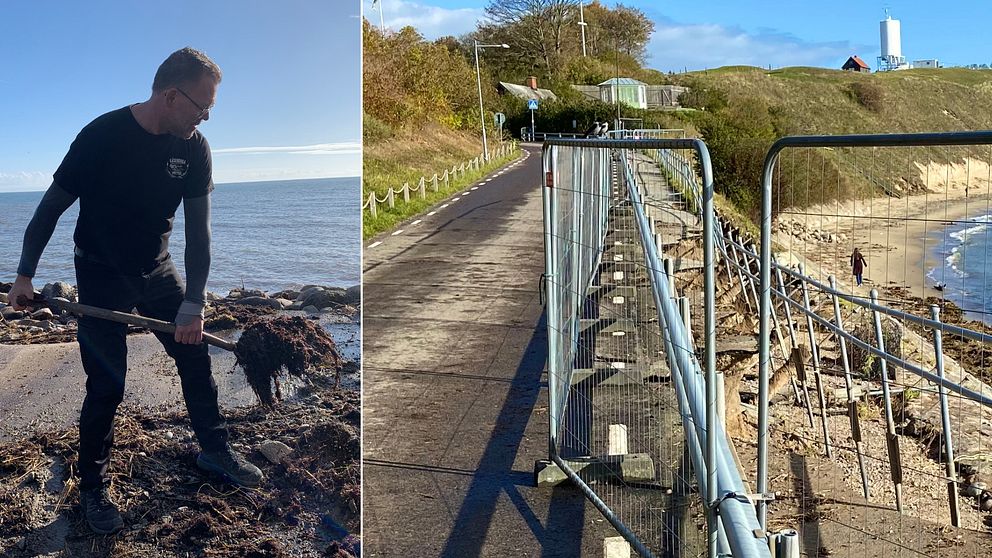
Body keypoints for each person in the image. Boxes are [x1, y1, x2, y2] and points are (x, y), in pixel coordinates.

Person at [9, 47, 262, 535]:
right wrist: (24, 275)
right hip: (100, 275)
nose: (207, 115)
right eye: (203, 104)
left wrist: (194, 305)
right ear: (171, 96)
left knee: (193, 356)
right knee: (108, 384)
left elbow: (199, 234)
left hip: (157, 270)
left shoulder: (193, 147)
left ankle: (214, 451)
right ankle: (93, 487)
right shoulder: (100, 136)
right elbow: (49, 209)